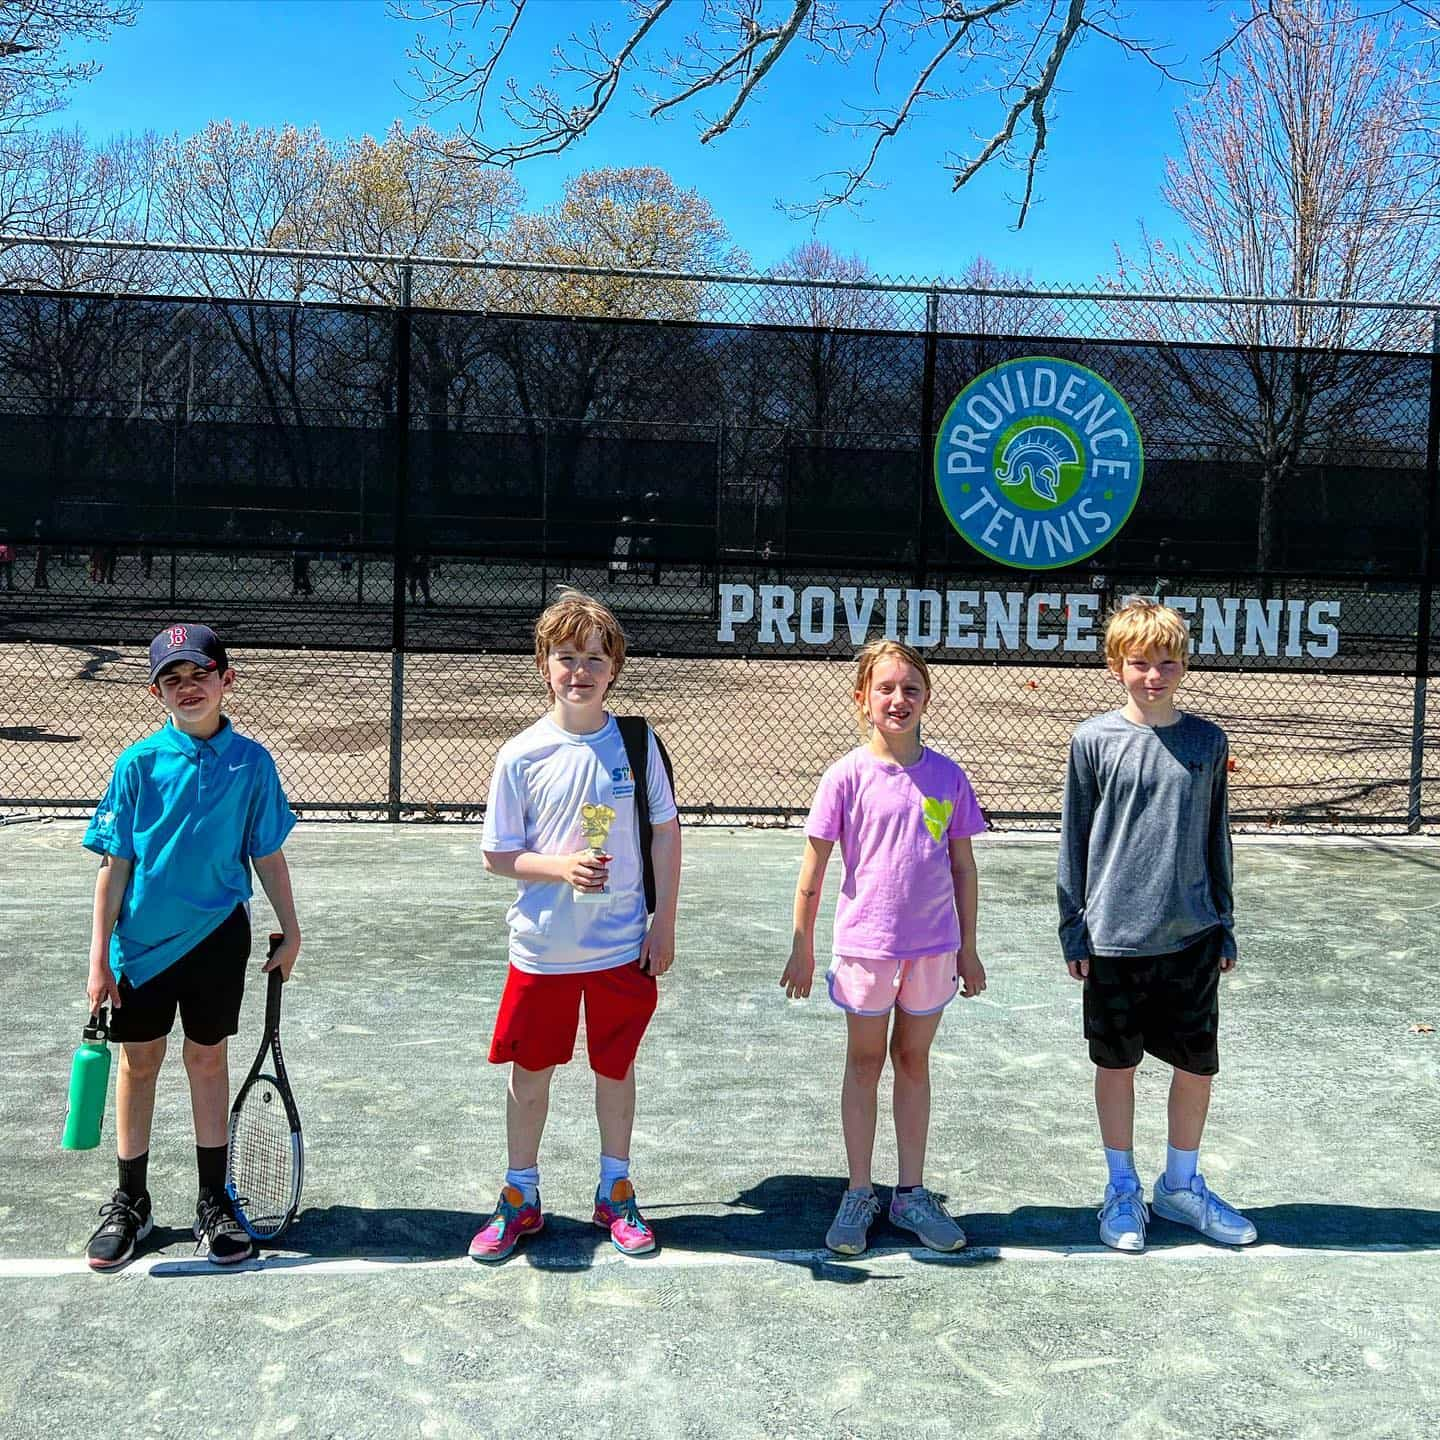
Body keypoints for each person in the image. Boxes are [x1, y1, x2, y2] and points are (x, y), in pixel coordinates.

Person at [81, 623, 302, 1271]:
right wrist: (99, 958)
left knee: (207, 1062)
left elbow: (268, 851)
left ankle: (214, 1200)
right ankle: (131, 1201)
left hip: (217, 941)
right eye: (171, 679)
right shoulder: (137, 765)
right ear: (156, 693)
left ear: (226, 680)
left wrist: (292, 926)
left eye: (199, 673)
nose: (188, 688)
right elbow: (114, 865)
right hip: (140, 947)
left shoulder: (252, 763)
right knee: (138, 1063)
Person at [474, 590, 680, 1263]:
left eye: (594, 658)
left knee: (614, 1069)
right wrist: (561, 868)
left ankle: (615, 1190)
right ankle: (519, 1195)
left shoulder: (636, 743)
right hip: (543, 951)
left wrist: (664, 922)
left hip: (621, 944)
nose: (580, 671)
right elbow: (497, 854)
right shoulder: (521, 755)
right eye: (566, 658)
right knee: (530, 1074)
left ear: (613, 668)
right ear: (544, 665)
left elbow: (664, 834)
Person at [1058, 599, 1255, 1254]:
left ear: (1183, 665)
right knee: (1116, 1066)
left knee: (1196, 1067)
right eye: (1140, 662)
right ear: (1117, 666)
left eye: (1166, 662)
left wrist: (1223, 921)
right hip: (1113, 938)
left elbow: (1215, 837)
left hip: (1192, 936)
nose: (1154, 674)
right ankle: (1121, 1188)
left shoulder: (1207, 741)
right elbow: (1075, 839)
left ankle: (1179, 1185)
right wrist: (1073, 927)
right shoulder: (1091, 741)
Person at [781, 639, 987, 1256]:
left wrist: (968, 949)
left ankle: (911, 1193)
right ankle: (860, 1191)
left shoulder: (948, 777)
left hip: (933, 951)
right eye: (886, 689)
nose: (899, 700)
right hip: (866, 949)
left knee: (914, 1062)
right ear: (862, 700)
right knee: (865, 1063)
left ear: (927, 698)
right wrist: (803, 947)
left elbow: (964, 869)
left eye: (911, 689)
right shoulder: (845, 776)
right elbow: (812, 870)